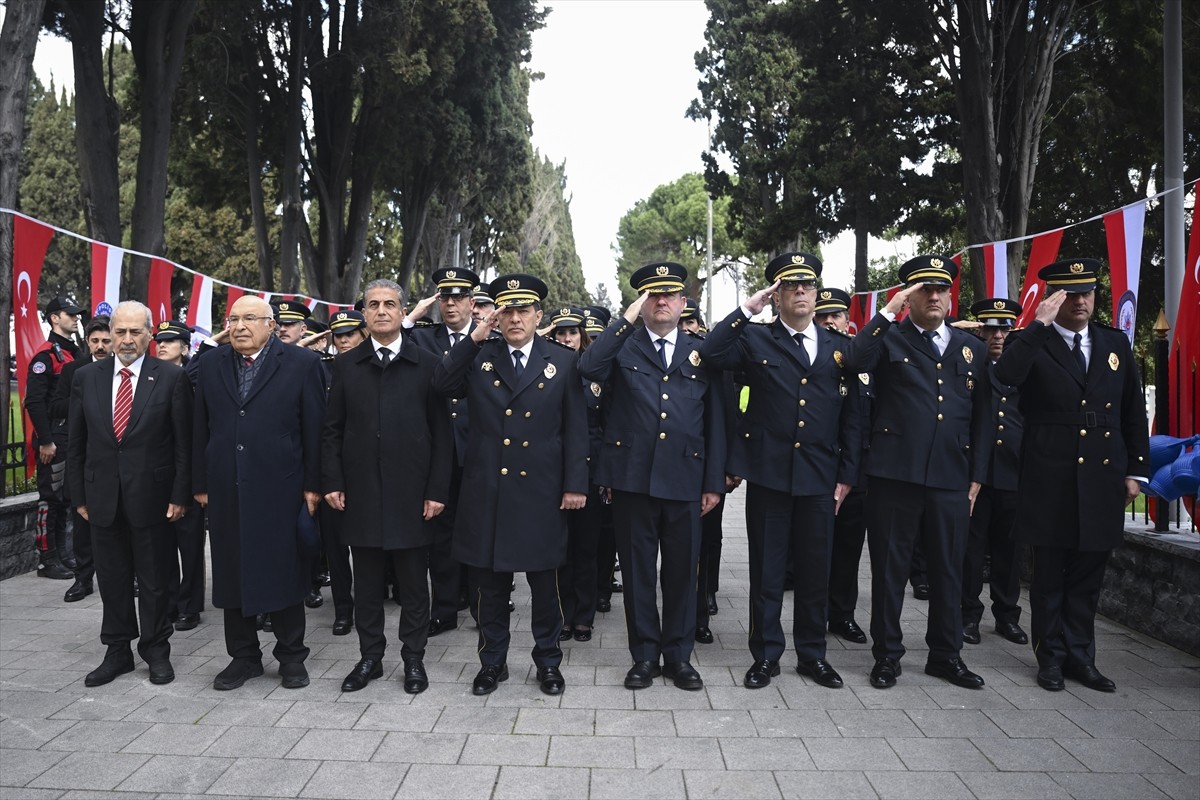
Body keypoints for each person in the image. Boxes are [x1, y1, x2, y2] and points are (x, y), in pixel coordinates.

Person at [700, 253, 858, 689]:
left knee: (814, 572)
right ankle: (766, 655)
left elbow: (853, 416)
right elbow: (712, 353)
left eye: (808, 284)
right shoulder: (756, 339)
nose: (802, 291)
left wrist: (847, 474)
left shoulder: (838, 346)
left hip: (820, 476)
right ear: (777, 295)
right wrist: (747, 309)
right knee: (767, 573)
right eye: (791, 286)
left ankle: (812, 655)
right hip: (770, 475)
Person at [993, 258, 1149, 693]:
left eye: (1087, 292)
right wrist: (1038, 326)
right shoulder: (1031, 342)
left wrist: (1136, 471)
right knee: (1049, 577)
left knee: (1088, 576)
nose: (1080, 301)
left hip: (1100, 479)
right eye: (1070, 293)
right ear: (1053, 297)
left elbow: (1132, 413)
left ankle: (1083, 657)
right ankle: (1051, 657)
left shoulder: (1113, 344)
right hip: (1050, 478)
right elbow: (1004, 378)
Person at [432, 274, 589, 696]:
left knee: (545, 586)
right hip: (489, 492)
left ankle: (549, 661)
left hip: (542, 491)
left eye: (524, 310)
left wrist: (576, 484)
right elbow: (440, 384)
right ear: (497, 316)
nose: (515, 318)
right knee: (490, 589)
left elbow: (576, 428)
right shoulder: (480, 357)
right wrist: (474, 337)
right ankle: (492, 662)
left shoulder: (563, 361)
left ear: (540, 315)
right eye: (508, 311)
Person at [579, 262, 727, 691]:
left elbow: (715, 420)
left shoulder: (701, 351)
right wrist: (622, 322)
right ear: (641, 304)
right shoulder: (622, 346)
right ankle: (644, 655)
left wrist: (714, 481)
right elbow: (588, 367)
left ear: (683, 302)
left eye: (669, 294)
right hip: (632, 480)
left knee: (682, 572)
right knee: (640, 573)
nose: (661, 301)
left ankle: (678, 656)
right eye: (651, 295)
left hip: (685, 478)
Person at [850, 255, 990, 690]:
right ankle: (887, 655)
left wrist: (977, 475)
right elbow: (854, 360)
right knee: (890, 569)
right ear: (909, 296)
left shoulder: (974, 349)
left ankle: (945, 654)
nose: (933, 296)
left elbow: (984, 418)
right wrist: (887, 313)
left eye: (940, 289)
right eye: (923, 289)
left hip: (950, 477)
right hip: (896, 475)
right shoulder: (889, 338)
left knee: (950, 568)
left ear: (951, 296)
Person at [323, 280, 451, 694]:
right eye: (373, 305)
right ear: (363, 313)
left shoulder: (428, 364)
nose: (381, 311)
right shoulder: (346, 365)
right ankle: (370, 658)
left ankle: (413, 660)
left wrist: (437, 490)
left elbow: (442, 435)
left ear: (403, 311)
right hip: (361, 494)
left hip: (412, 495)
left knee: (415, 585)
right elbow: (332, 431)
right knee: (368, 587)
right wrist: (333, 482)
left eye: (390, 304)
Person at [192, 295, 326, 691]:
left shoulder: (302, 363)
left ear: (271, 324)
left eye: (250, 318)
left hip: (281, 486)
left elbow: (315, 430)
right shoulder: (212, 362)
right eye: (233, 319)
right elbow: (200, 424)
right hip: (225, 485)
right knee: (231, 572)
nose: (240, 326)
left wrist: (314, 486)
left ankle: (291, 657)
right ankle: (244, 656)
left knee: (283, 571)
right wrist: (200, 483)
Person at [66, 302, 193, 687]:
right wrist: (79, 497)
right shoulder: (86, 377)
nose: (125, 339)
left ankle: (155, 650)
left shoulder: (170, 377)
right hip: (101, 497)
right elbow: (76, 443)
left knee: (154, 580)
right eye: (119, 331)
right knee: (113, 577)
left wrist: (179, 494)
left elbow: (183, 444)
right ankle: (117, 650)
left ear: (149, 334)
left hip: (153, 497)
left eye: (135, 332)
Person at [409, 267, 482, 636]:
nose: (450, 304)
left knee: (480, 530)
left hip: (479, 450)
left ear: (472, 302)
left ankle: (483, 604)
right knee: (441, 535)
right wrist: (413, 314)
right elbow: (390, 340)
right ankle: (445, 609)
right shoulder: (424, 339)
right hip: (438, 450)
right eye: (444, 298)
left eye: (458, 297)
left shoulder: (490, 340)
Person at [959, 298, 1029, 647]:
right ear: (980, 331)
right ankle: (968, 615)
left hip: (1013, 472)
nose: (998, 335)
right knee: (972, 549)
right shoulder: (970, 366)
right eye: (991, 328)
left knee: (1009, 549)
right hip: (976, 474)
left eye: (1005, 328)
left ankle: (1007, 615)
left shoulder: (1025, 368)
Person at [815, 288, 872, 644]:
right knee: (814, 548)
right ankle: (813, 614)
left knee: (849, 549)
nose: (829, 322)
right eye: (823, 317)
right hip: (819, 466)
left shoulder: (863, 363)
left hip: (858, 471)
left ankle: (842, 614)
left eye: (835, 315)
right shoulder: (815, 361)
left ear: (848, 322)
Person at [546, 306, 604, 643]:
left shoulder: (595, 372)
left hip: (591, 473)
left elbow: (607, 426)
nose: (567, 338)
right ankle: (563, 615)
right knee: (559, 550)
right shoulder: (547, 369)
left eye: (573, 332)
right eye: (560, 333)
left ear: (582, 336)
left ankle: (584, 615)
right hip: (554, 474)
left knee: (586, 548)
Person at [148, 320, 208, 632]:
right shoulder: (148, 376)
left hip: (187, 473)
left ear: (185, 348)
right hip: (156, 477)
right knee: (162, 547)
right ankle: (170, 602)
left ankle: (190, 605)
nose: (162, 345)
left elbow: (194, 435)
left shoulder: (195, 376)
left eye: (170, 341)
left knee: (190, 545)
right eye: (159, 340)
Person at [53, 315, 112, 602]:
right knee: (82, 523)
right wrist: (85, 397)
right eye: (95, 341)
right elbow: (58, 406)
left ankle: (132, 576)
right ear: (87, 342)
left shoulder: (124, 373)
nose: (100, 346)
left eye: (105, 341)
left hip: (117, 461)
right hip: (87, 459)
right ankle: (83, 579)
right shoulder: (75, 372)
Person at [25, 297, 83, 580]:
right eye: (69, 314)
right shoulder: (45, 356)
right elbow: (34, 402)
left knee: (66, 499)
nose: (75, 318)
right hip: (53, 440)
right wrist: (46, 441)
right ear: (53, 319)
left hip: (71, 437)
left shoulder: (75, 352)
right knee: (50, 498)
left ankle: (63, 554)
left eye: (76, 314)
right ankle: (46, 560)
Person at [320, 309, 369, 635]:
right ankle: (343, 609)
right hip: (331, 472)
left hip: (366, 473)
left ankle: (369, 604)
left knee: (367, 551)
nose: (345, 340)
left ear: (363, 335)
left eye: (351, 333)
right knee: (335, 549)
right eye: (339, 335)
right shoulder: (321, 369)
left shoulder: (374, 366)